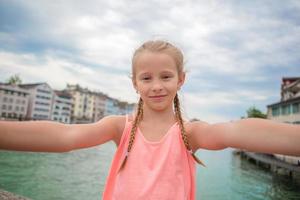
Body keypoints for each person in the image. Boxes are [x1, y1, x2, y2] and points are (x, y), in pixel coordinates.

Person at [0, 40, 299, 200]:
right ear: (134, 83)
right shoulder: (119, 127)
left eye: (165, 76)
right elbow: (63, 137)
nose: (156, 85)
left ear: (181, 80)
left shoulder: (190, 133)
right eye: (146, 77)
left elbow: (237, 132)